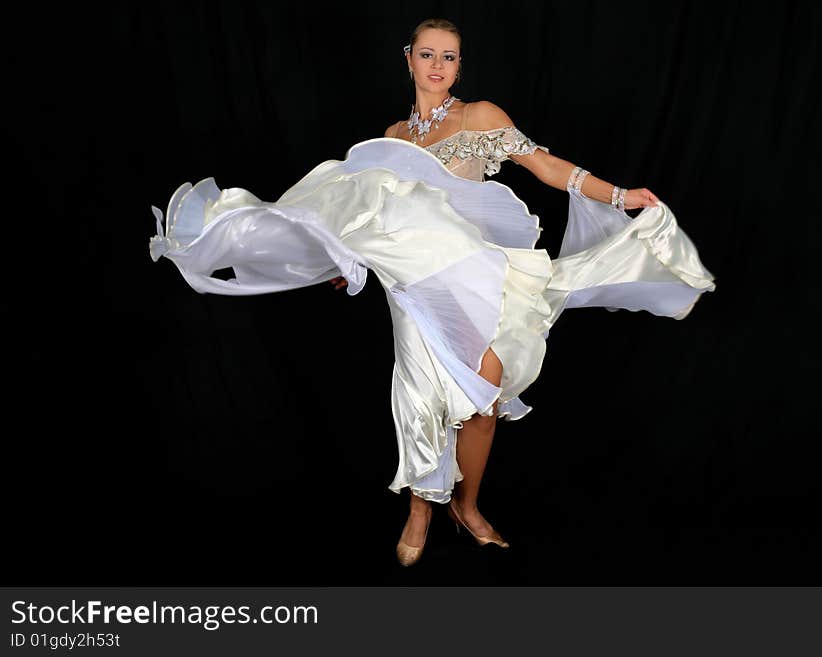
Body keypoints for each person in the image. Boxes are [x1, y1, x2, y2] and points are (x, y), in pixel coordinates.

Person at [149, 18, 715, 568]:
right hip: (416, 285)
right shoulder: (392, 139)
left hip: (478, 271)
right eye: (428, 54)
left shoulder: (478, 117)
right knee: (425, 395)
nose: (438, 65)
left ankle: (465, 505)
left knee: (484, 396)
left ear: (460, 64)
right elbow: (367, 218)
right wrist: (346, 262)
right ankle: (421, 510)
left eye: (449, 56)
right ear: (409, 57)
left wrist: (619, 196)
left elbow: (542, 164)